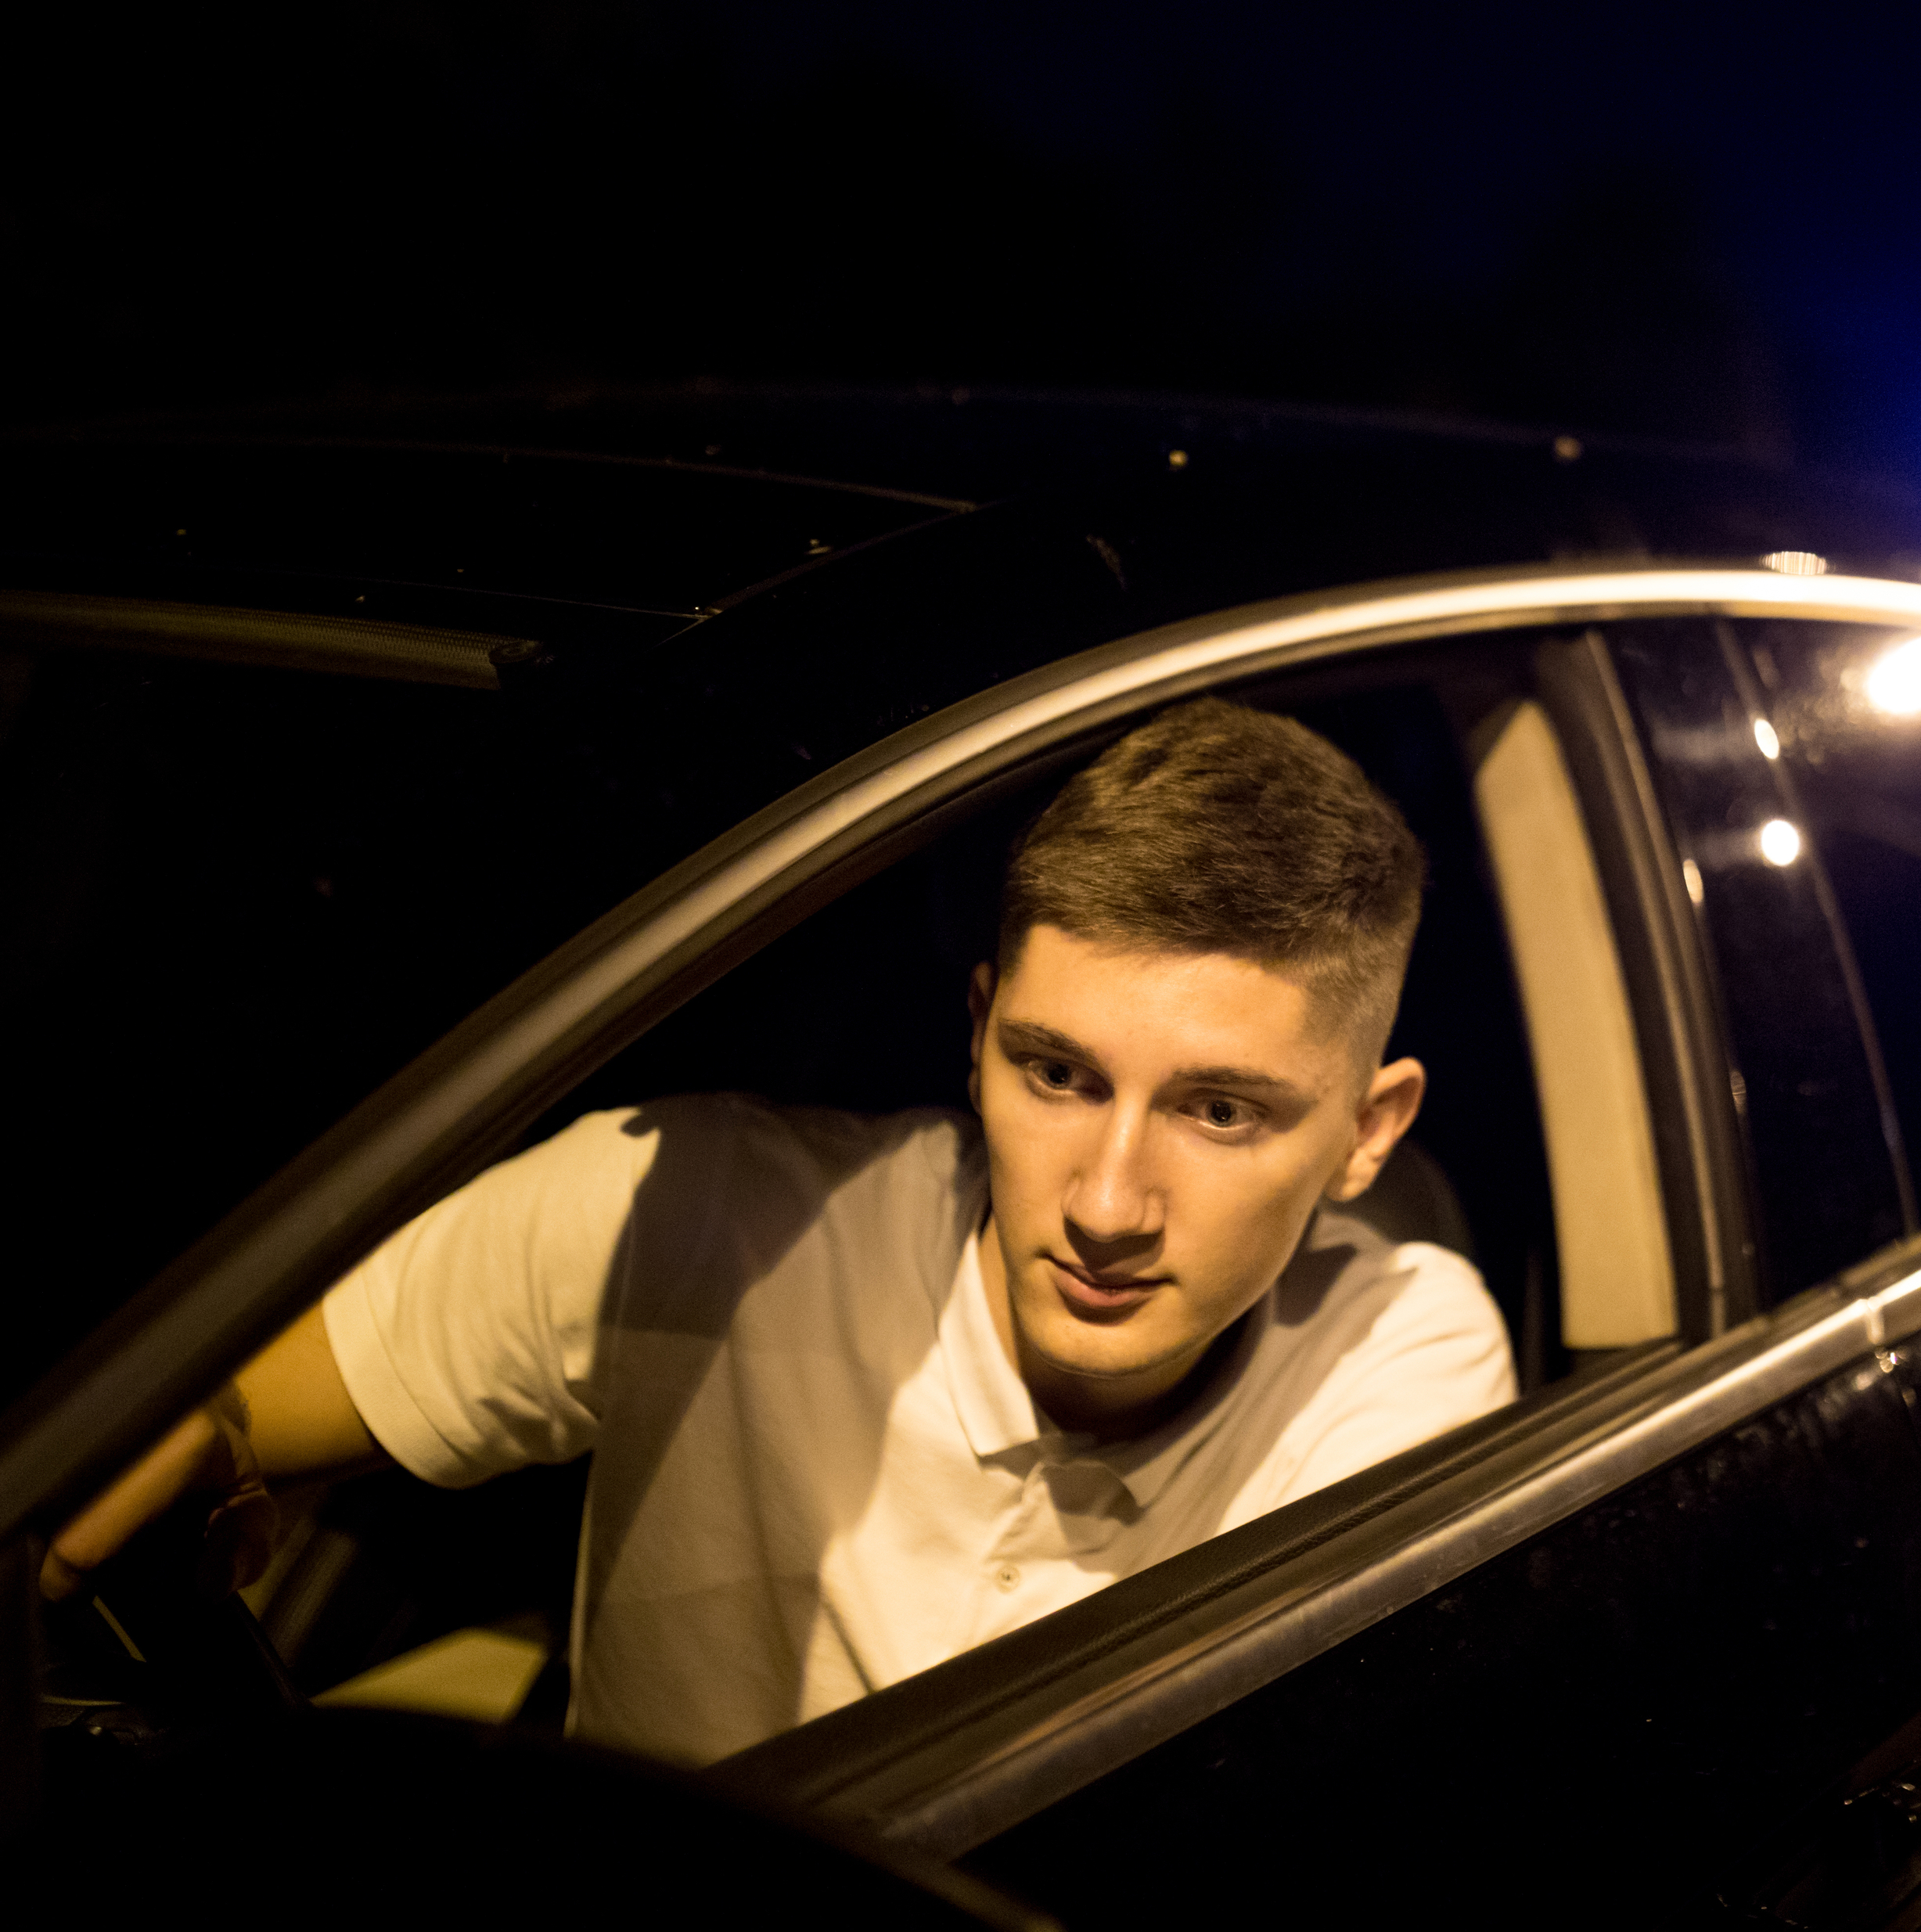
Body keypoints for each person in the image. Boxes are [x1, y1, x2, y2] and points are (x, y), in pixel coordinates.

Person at [45, 700, 1518, 1764]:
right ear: (978, 1032)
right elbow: (202, 1411)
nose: (1105, 1203)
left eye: (1220, 1113)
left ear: (1369, 1133)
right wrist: (205, 1454)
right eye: (1056, 1074)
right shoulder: (708, 1212)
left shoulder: (1403, 1362)